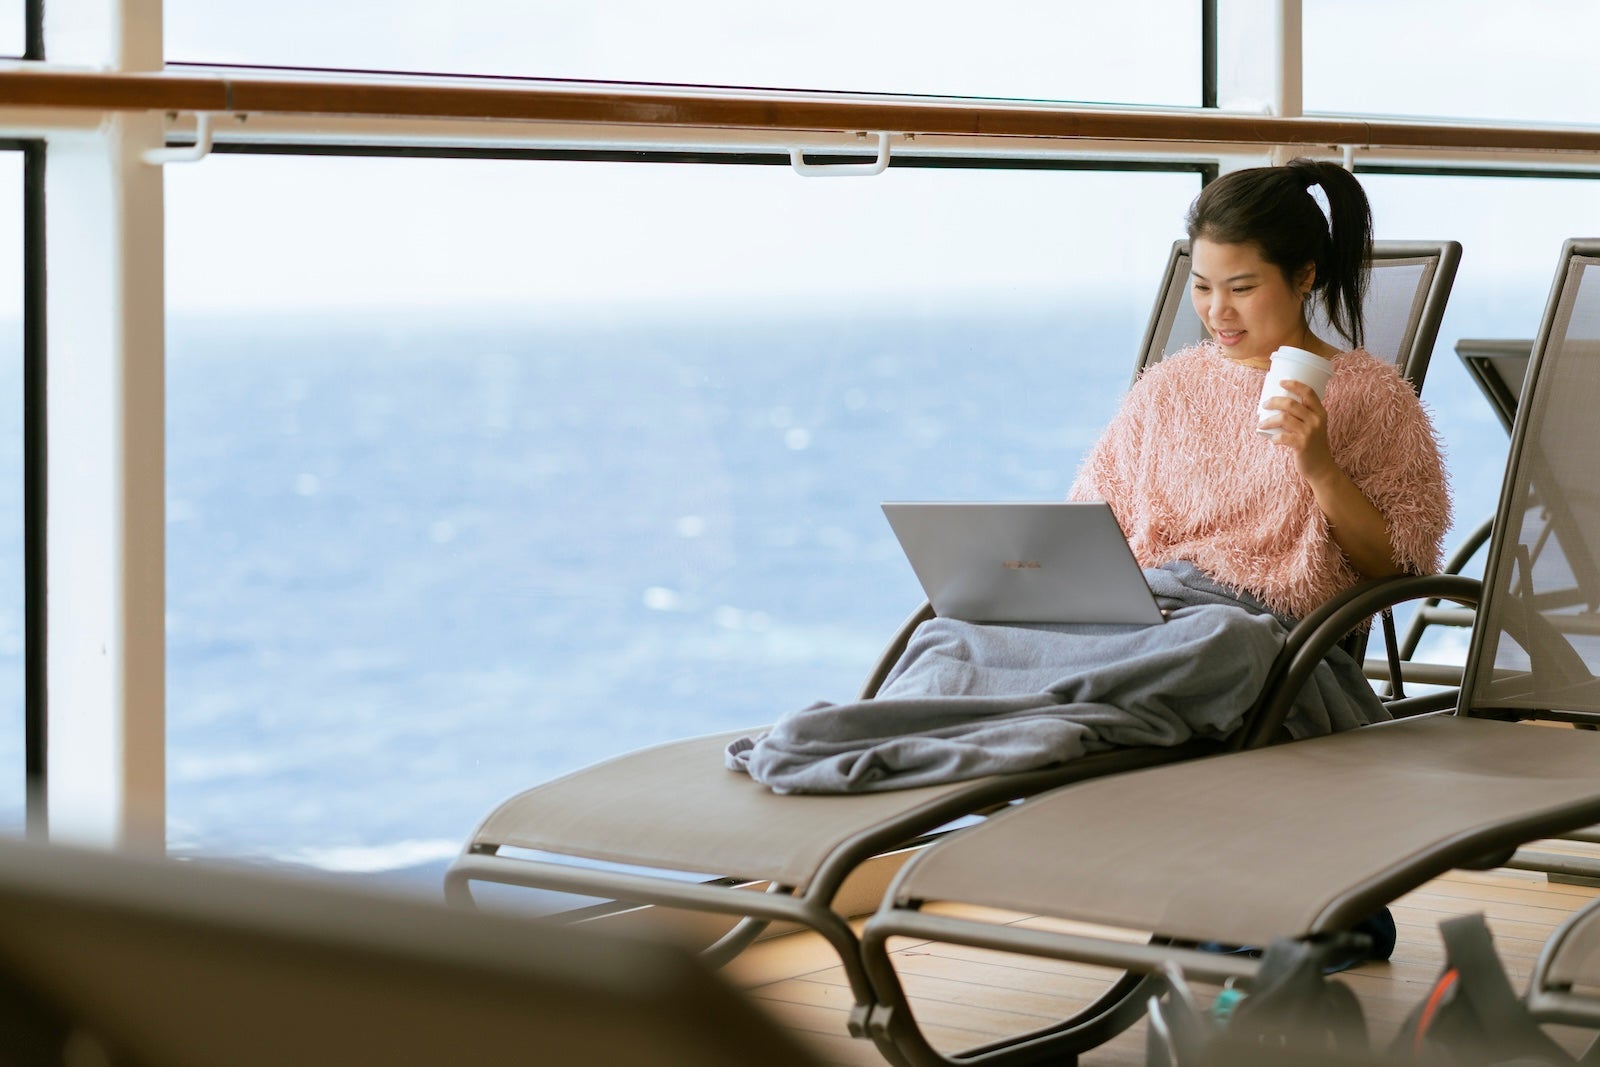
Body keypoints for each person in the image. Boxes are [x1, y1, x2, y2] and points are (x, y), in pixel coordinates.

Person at [1070, 157, 1450, 624]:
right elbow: (1084, 526)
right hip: (1146, 608)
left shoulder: (1372, 397)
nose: (1217, 311)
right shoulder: (1168, 388)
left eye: (1242, 288)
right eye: (1203, 287)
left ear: (1305, 276)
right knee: (963, 636)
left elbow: (1401, 566)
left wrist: (1320, 468)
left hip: (1253, 628)